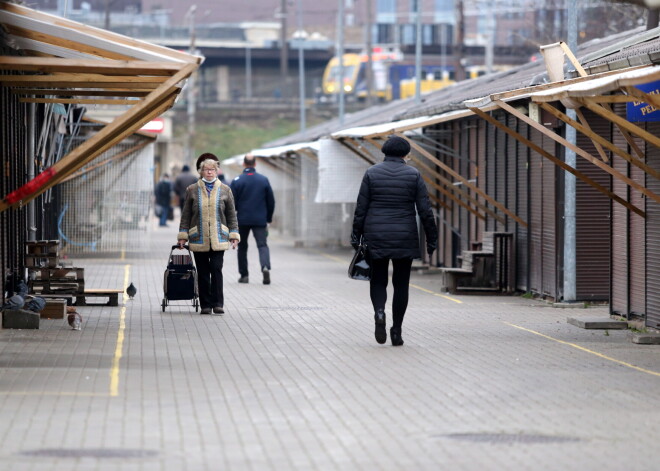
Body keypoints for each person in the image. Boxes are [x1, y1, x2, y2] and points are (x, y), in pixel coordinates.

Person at [351, 136, 438, 347]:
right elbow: (425, 211)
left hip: (376, 234)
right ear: (405, 153)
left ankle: (379, 312)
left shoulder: (371, 173)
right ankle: (396, 331)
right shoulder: (413, 174)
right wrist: (432, 238)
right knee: (401, 285)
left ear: (384, 151)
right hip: (404, 235)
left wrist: (356, 235)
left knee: (378, 279)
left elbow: (361, 208)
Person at [177, 153, 240, 315]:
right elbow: (186, 215)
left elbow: (232, 215)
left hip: (219, 237)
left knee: (216, 269)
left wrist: (234, 236)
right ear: (201, 171)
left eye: (212, 169)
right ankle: (205, 304)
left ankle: (218, 303)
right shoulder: (192, 190)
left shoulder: (225, 190)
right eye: (206, 169)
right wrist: (183, 237)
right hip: (198, 238)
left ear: (217, 170)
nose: (210, 172)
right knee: (203, 272)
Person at [230, 154, 275, 284]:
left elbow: (232, 203)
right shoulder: (263, 180)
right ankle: (265, 267)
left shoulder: (237, 180)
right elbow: (270, 201)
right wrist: (268, 218)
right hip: (260, 219)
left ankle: (244, 275)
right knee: (262, 245)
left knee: (242, 247)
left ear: (243, 164)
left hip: (242, 219)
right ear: (255, 164)